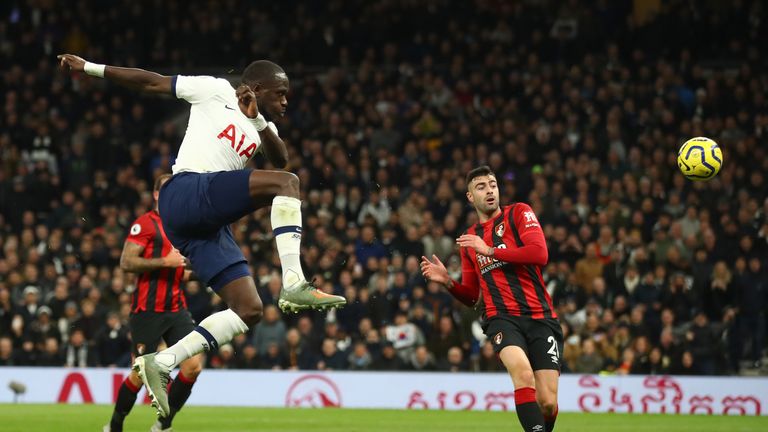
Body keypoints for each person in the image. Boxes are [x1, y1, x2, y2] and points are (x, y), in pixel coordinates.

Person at [57, 53, 346, 417]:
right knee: (288, 185)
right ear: (256, 88)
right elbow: (152, 81)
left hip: (203, 224)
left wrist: (257, 118)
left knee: (249, 309)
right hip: (187, 190)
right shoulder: (214, 90)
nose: (286, 101)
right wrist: (90, 69)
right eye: (281, 93)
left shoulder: (261, 126)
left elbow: (280, 157)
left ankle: (161, 363)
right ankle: (293, 281)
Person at [421, 165, 561, 432]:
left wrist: (491, 250)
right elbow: (473, 297)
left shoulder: (519, 213)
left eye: (493, 185)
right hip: (502, 318)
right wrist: (449, 282)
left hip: (541, 317)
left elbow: (539, 254)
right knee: (522, 374)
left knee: (547, 403)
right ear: (470, 197)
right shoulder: (470, 240)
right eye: (481, 187)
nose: (490, 191)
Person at [104, 174, 203, 432]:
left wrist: (204, 272)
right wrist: (164, 262)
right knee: (140, 374)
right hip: (147, 311)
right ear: (157, 194)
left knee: (193, 367)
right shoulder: (145, 224)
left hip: (177, 308)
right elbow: (126, 262)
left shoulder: (181, 226)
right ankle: (115, 425)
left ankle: (163, 423)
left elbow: (179, 270)